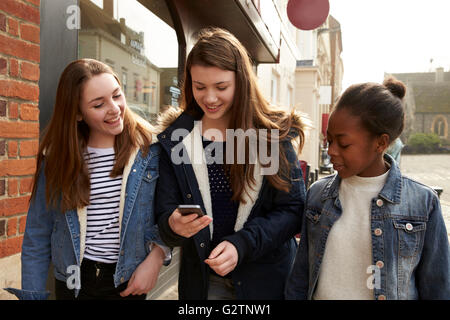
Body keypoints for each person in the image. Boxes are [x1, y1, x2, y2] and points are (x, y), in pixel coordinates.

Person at [155, 27, 306, 300]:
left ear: (241, 81)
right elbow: (164, 212)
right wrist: (173, 225)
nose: (210, 98)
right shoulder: (178, 138)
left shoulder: (267, 135)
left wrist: (243, 245)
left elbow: (292, 210)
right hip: (203, 282)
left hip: (266, 282)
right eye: (199, 87)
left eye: (221, 87)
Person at [5, 59, 169, 300]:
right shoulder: (57, 159)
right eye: (98, 104)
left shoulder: (151, 151)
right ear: (78, 113)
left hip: (128, 281)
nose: (114, 108)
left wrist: (155, 259)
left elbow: (169, 215)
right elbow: (37, 235)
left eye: (117, 95)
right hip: (73, 283)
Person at [285, 77, 450, 300]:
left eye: (343, 144)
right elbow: (301, 275)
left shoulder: (422, 203)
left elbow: (438, 288)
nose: (331, 150)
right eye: (328, 140)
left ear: (381, 143)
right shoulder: (317, 194)